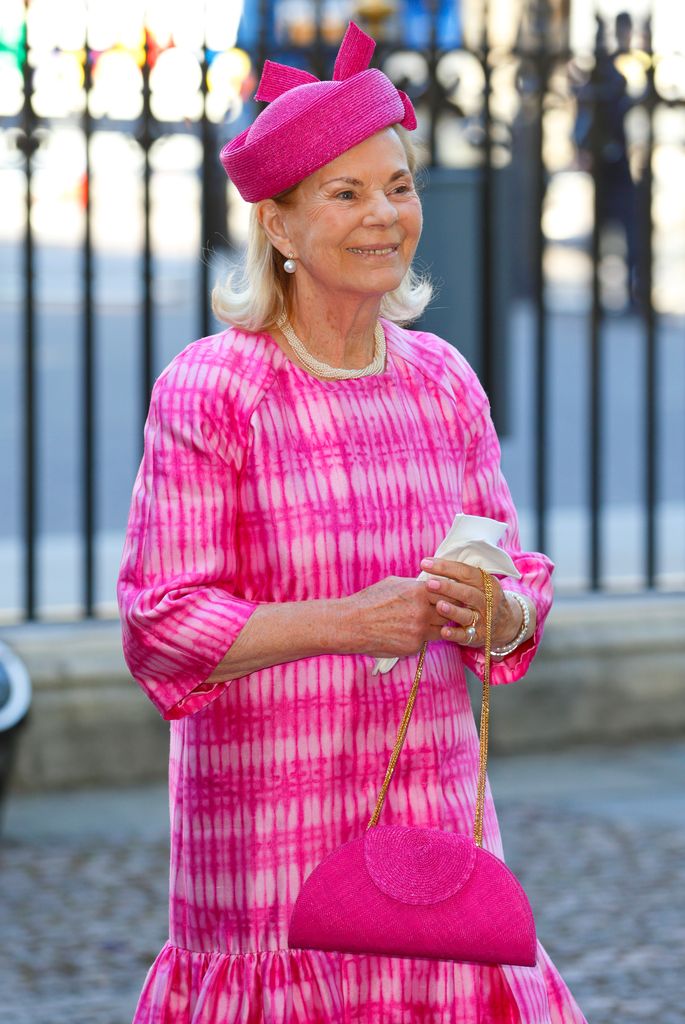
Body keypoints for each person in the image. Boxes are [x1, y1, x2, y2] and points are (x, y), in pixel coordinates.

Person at [117, 22, 588, 1024]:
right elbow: (161, 625)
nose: (386, 216)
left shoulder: (442, 381)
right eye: (347, 193)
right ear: (279, 227)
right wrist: (352, 622)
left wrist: (494, 609)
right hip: (268, 857)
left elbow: (515, 573)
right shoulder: (213, 389)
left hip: (435, 833)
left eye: (399, 186)